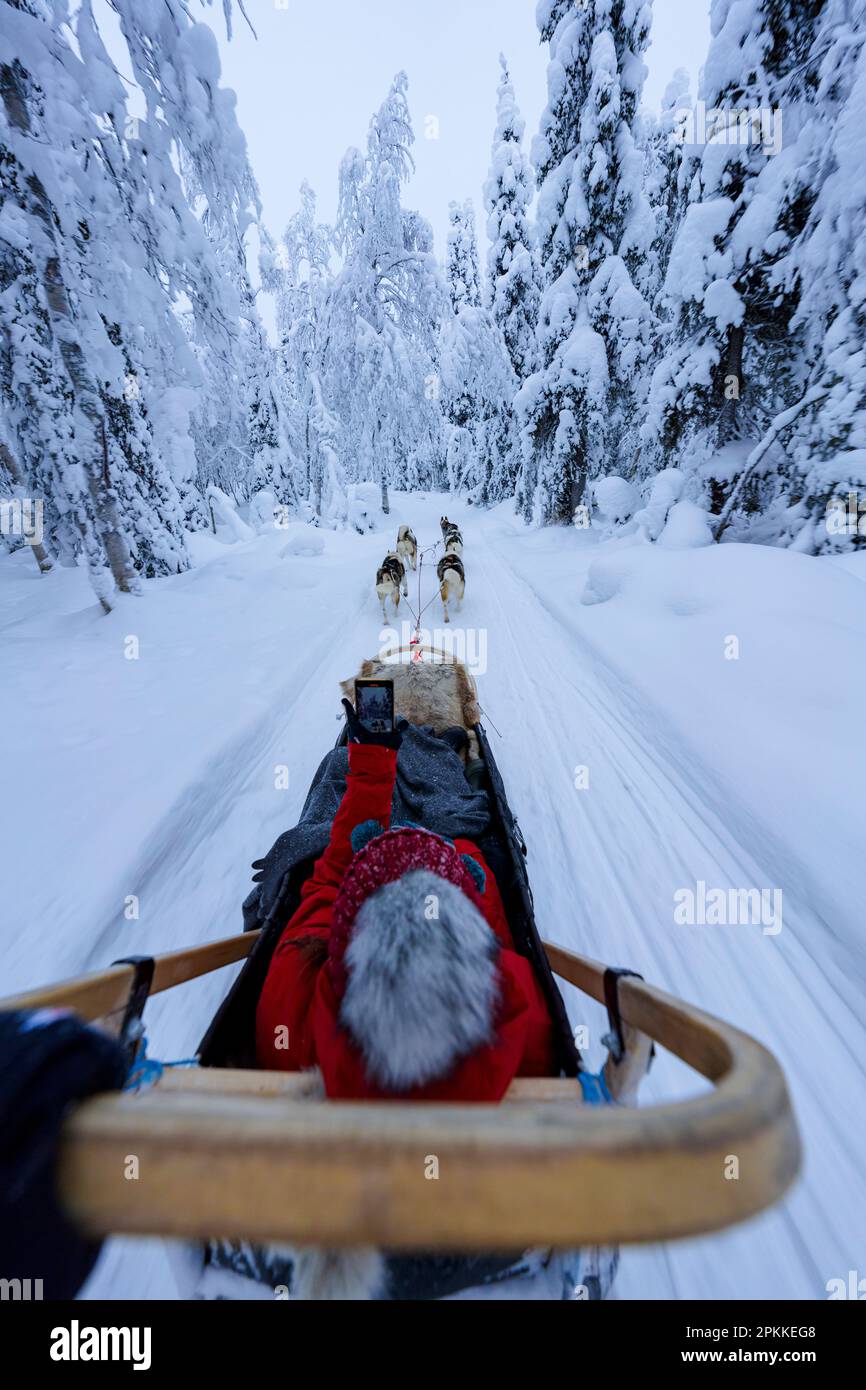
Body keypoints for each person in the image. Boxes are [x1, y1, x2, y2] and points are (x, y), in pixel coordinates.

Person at [256, 701, 554, 1100]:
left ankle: (431, 756)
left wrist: (372, 769)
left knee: (335, 768)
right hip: (448, 836)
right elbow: (490, 918)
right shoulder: (515, 999)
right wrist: (455, 852)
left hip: (407, 832)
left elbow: (327, 883)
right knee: (450, 800)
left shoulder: (293, 1015)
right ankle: (442, 751)